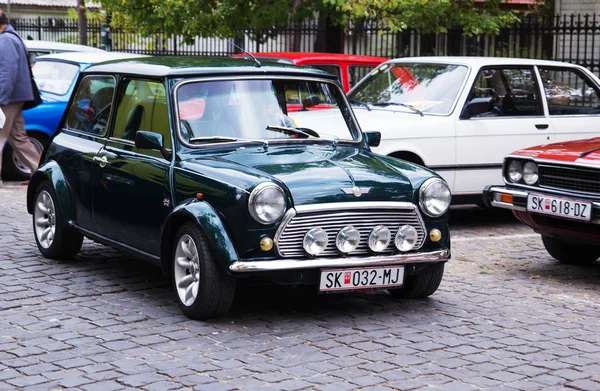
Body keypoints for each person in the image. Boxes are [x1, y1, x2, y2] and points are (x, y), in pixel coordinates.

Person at [0, 9, 41, 185]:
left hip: (7, 98)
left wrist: (1, 98)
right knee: (19, 138)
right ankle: (40, 173)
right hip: (13, 98)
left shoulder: (6, 40)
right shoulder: (12, 37)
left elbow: (7, 73)